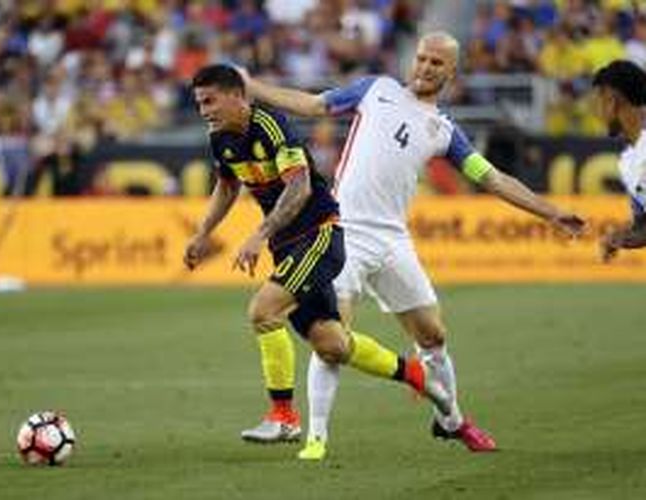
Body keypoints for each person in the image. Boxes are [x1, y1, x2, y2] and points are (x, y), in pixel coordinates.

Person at [243, 31, 587, 459]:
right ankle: (316, 438)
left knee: (433, 334)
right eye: (422, 59)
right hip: (343, 230)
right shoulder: (375, 90)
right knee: (332, 338)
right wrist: (252, 87)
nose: (425, 67)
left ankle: (451, 421)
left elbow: (493, 179)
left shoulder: (443, 130)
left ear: (451, 72)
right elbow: (313, 104)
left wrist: (549, 211)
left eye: (436, 63)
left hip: (392, 240)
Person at [184, 64, 451, 447]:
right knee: (332, 345)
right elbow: (227, 187)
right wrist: (202, 233)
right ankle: (417, 376)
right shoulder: (219, 138)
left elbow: (301, 186)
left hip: (320, 235)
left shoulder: (271, 127)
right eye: (198, 103)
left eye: (210, 101)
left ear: (238, 95)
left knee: (263, 311)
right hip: (288, 245)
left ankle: (284, 417)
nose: (204, 111)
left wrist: (259, 234)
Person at [592, 60, 646, 261]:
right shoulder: (632, 157)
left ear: (612, 100)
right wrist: (618, 238)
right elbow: (644, 226)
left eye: (599, 101)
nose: (598, 113)